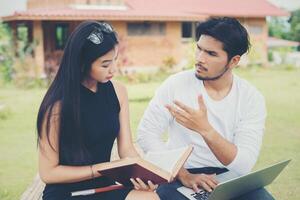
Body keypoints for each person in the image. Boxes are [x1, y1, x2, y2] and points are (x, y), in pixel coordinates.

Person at [137, 17, 273, 200]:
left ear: (233, 61)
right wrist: (182, 173)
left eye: (211, 54)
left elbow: (243, 165)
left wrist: (205, 129)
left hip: (228, 176)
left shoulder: (251, 98)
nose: (200, 58)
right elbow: (147, 134)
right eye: (199, 48)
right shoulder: (176, 84)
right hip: (180, 173)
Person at [37, 21, 160, 200]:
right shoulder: (57, 106)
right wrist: (100, 170)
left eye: (114, 61)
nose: (113, 70)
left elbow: (126, 149)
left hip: (103, 185)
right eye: (105, 64)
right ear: (82, 63)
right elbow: (48, 173)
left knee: (149, 197)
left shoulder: (118, 92)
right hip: (65, 192)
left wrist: (143, 173)